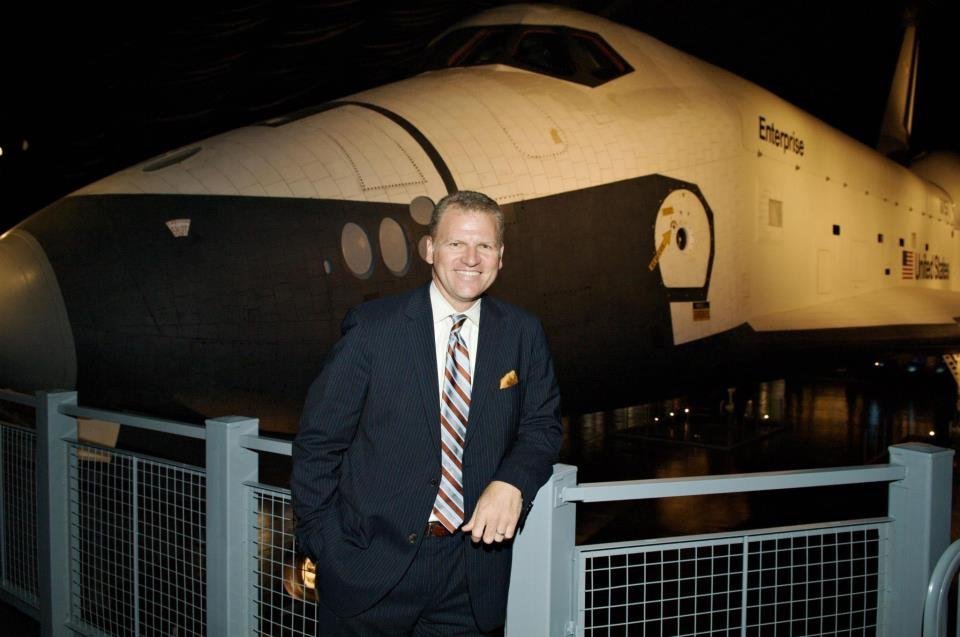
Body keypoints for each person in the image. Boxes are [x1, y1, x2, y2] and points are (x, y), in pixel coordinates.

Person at [291, 190, 563, 634]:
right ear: (430, 249)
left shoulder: (522, 332)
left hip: (472, 574)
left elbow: (541, 426)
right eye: (456, 243)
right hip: (370, 567)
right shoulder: (373, 329)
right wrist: (329, 549)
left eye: (485, 246)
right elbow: (318, 444)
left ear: (501, 257)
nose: (471, 258)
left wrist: (512, 480)